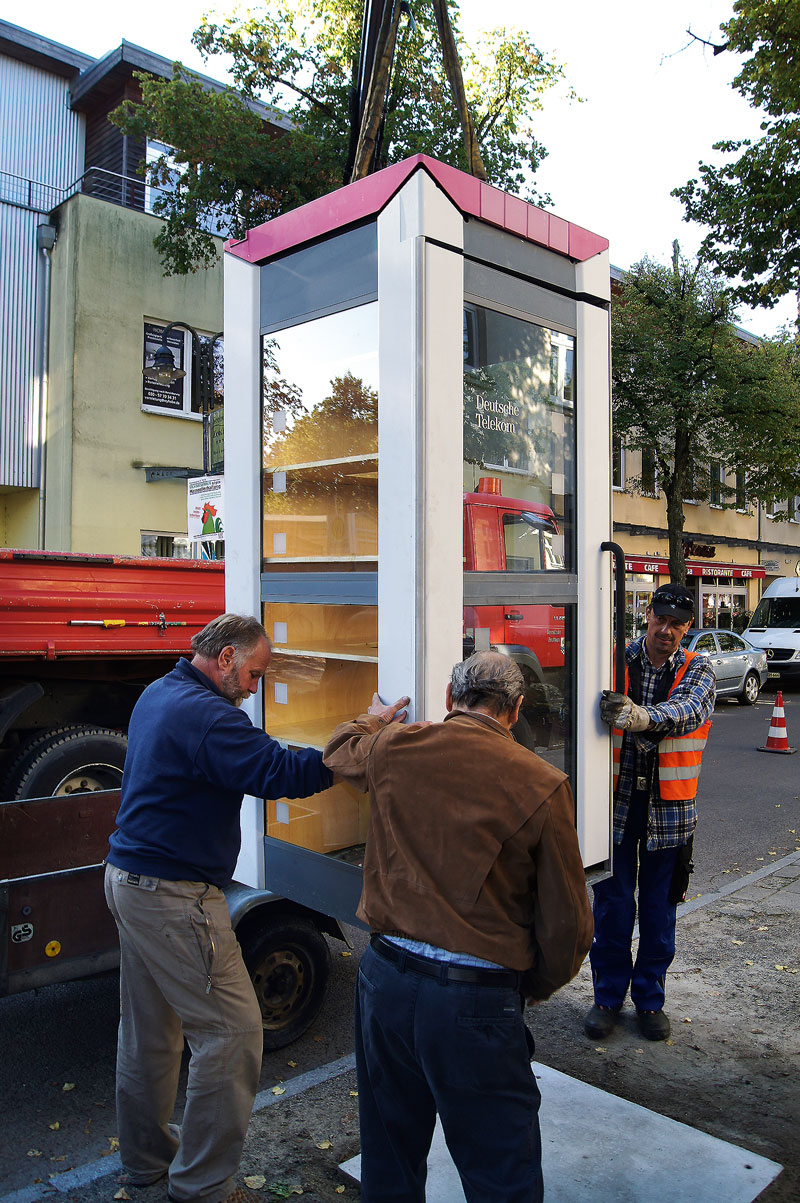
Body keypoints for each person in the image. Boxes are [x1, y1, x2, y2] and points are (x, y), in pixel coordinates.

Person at [323, 650, 593, 1203]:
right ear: (515, 711)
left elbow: (338, 752)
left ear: (449, 699)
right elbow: (567, 926)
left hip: (385, 980)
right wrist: (532, 985)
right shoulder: (541, 783)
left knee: (390, 1157)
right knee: (499, 1172)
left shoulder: (397, 746)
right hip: (475, 1002)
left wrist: (375, 717)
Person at [104, 614, 335, 1203]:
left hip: (130, 881)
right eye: (255, 673)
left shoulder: (164, 690)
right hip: (173, 897)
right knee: (233, 1032)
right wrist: (352, 746)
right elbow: (278, 771)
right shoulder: (207, 715)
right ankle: (204, 1186)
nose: (256, 687)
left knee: (150, 1032)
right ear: (226, 657)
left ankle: (148, 1159)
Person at [586, 582, 716, 1043]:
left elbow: (688, 710)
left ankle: (650, 1001)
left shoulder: (698, 669)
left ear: (686, 628)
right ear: (648, 615)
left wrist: (640, 717)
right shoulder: (615, 659)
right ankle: (606, 999)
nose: (666, 629)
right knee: (614, 907)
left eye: (677, 624)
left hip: (670, 812)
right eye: (660, 619)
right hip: (618, 807)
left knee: (659, 912)